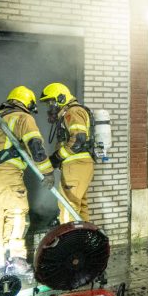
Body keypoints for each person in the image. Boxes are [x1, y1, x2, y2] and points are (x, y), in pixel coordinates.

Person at [0, 86, 53, 277]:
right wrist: (47, 172)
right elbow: (36, 146)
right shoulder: (22, 117)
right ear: (27, 103)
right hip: (9, 176)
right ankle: (17, 260)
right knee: (17, 216)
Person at [40, 83, 95, 223]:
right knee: (80, 207)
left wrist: (57, 157)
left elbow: (78, 139)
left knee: (67, 207)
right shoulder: (73, 111)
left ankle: (69, 237)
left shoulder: (72, 112)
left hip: (75, 165)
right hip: (81, 166)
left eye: (51, 102)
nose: (50, 107)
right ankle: (84, 236)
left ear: (61, 98)